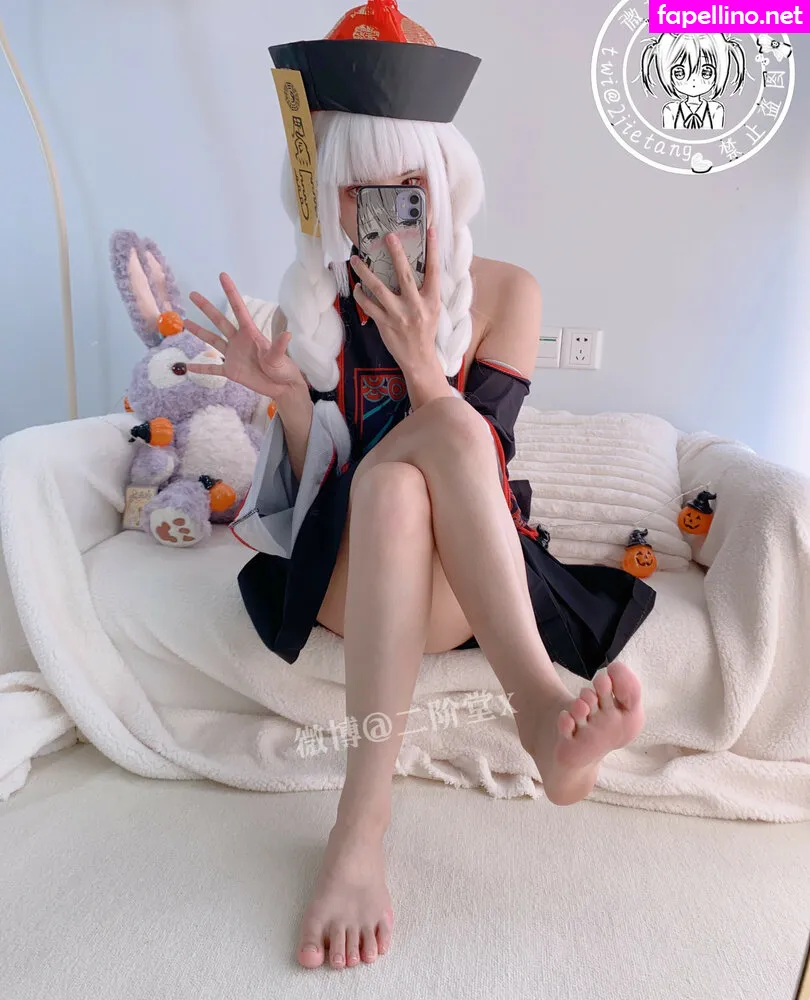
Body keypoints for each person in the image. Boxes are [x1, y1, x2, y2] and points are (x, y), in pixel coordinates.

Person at [184, 0, 655, 973]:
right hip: (348, 578)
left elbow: (479, 458)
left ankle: (365, 825)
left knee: (420, 466)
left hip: (459, 583)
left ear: (445, 181)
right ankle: (534, 714)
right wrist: (287, 398)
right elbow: (318, 493)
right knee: (384, 490)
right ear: (330, 200)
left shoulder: (508, 295)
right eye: (362, 195)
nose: (390, 216)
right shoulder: (313, 309)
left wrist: (425, 369)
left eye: (410, 190)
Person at [640, 33, 746, 130]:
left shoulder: (716, 109)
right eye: (679, 73)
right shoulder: (670, 110)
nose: (694, 80)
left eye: (706, 72)